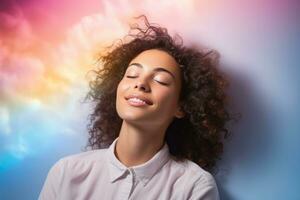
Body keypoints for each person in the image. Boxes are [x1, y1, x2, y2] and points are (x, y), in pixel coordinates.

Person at [39, 15, 233, 200]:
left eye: (161, 80)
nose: (140, 84)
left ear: (181, 107)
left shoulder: (194, 186)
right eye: (132, 74)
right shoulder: (67, 172)